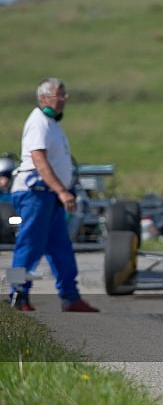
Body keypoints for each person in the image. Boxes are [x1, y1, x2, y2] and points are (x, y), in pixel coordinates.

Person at [8, 78, 98, 312]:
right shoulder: (39, 122)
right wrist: (61, 190)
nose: (62, 100)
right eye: (58, 96)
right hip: (36, 193)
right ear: (43, 98)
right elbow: (39, 159)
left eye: (64, 96)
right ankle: (17, 294)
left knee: (60, 248)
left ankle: (70, 296)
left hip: (49, 195)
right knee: (28, 245)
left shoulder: (51, 123)